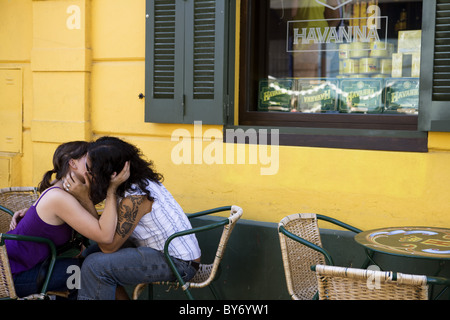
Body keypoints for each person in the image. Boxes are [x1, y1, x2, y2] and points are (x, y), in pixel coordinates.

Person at [77, 136, 201, 300]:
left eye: (91, 170)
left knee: (95, 266)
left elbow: (108, 246)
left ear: (111, 174)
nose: (87, 173)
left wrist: (106, 192)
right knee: (90, 255)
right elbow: (103, 235)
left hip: (179, 263)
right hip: (163, 251)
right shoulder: (140, 179)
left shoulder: (135, 197)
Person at [5, 141, 130, 298]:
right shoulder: (59, 197)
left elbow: (96, 227)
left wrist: (87, 197)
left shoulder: (69, 191)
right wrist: (112, 189)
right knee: (92, 271)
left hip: (36, 266)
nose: (95, 165)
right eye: (89, 160)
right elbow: (104, 236)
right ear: (73, 163)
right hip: (14, 274)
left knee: (96, 263)